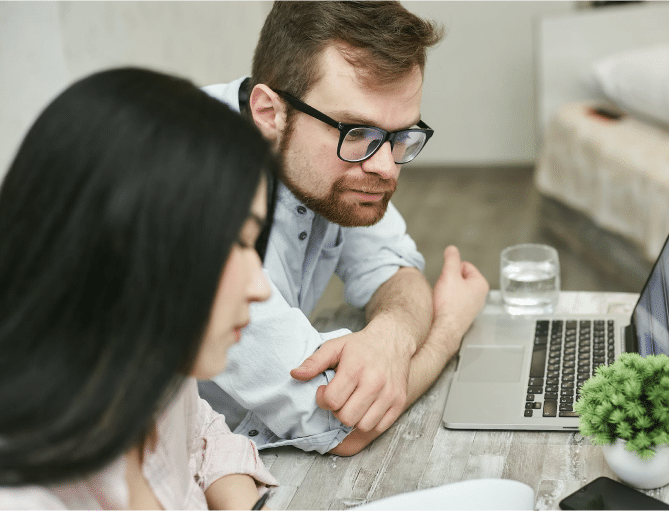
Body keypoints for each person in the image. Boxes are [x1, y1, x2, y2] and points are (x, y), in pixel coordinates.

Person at [198, 0, 490, 457]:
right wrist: (448, 326)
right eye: (356, 132)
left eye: (401, 137)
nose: (386, 168)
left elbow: (392, 269)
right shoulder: (193, 195)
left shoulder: (323, 156)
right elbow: (339, 424)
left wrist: (392, 333)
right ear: (269, 111)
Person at [0, 67, 279, 510]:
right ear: (129, 242)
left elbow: (205, 432)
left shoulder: (152, 365)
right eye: (239, 241)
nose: (261, 288)